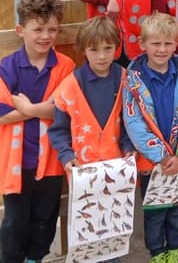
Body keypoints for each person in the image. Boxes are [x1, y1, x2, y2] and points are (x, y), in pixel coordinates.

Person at [0, 0, 75, 263]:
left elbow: (64, 109)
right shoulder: (8, 66)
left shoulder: (65, 66)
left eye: (52, 30)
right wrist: (42, 110)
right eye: (38, 29)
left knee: (46, 217)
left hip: (51, 159)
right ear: (21, 30)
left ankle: (35, 258)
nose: (45, 36)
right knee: (14, 222)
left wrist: (28, 108)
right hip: (17, 161)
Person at [49, 17, 134, 263]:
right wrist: (66, 156)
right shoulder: (71, 85)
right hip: (83, 170)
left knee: (114, 221)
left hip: (115, 166)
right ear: (83, 49)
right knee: (86, 226)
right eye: (94, 49)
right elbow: (58, 129)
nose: (101, 56)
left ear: (117, 48)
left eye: (108, 48)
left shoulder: (124, 78)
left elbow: (130, 119)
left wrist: (128, 147)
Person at [122, 13, 178, 263]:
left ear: (176, 43)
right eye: (155, 43)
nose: (161, 49)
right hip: (152, 162)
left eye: (168, 43)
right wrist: (161, 155)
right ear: (142, 44)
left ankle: (174, 248)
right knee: (155, 210)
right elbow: (133, 123)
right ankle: (157, 252)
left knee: (175, 206)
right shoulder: (133, 80)